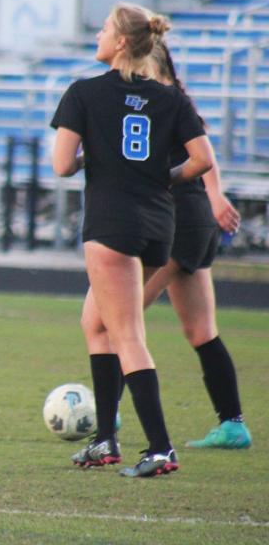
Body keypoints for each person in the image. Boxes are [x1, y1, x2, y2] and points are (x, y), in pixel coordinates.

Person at [51, 2, 214, 477]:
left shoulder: (84, 92)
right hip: (158, 223)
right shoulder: (171, 97)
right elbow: (202, 160)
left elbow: (61, 164)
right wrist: (165, 177)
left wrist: (91, 159)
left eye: (104, 28)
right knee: (95, 322)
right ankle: (105, 439)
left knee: (126, 334)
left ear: (121, 42)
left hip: (111, 222)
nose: (98, 34)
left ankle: (161, 447)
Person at [73, 41, 251, 452]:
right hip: (194, 218)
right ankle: (233, 423)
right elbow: (201, 147)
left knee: (114, 324)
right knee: (200, 329)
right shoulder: (170, 95)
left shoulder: (151, 94)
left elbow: (197, 152)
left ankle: (107, 422)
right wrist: (215, 196)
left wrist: (214, 193)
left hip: (175, 218)